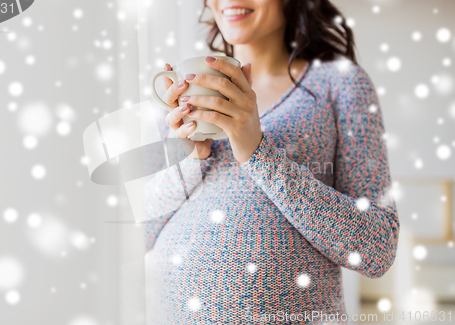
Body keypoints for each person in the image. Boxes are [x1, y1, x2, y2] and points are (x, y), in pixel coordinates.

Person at [144, 0, 400, 323]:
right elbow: (137, 235)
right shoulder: (183, 94)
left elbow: (378, 248)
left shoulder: (340, 84)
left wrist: (257, 152)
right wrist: (190, 159)